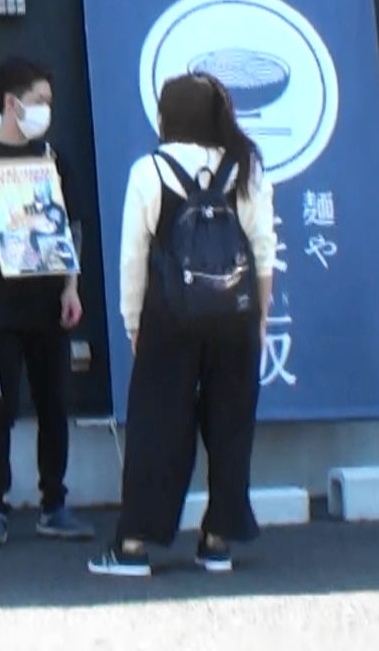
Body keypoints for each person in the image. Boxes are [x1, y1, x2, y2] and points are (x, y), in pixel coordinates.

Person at [88, 73, 276, 579]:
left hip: (170, 315)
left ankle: (134, 544)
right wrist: (259, 318)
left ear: (168, 115)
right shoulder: (245, 167)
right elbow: (263, 250)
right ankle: (218, 542)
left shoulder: (150, 169)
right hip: (235, 316)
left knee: (157, 425)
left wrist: (133, 320)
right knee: (231, 425)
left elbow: (133, 255)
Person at [0, 57, 96, 547]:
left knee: (54, 404)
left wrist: (72, 287)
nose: (46, 110)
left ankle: (55, 503)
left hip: (49, 303)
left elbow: (72, 228)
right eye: (39, 101)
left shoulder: (53, 158)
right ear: (11, 103)